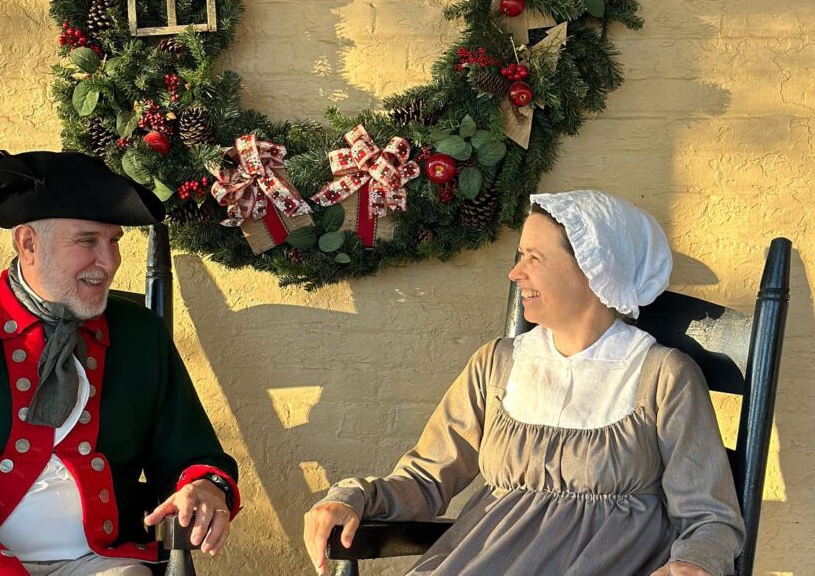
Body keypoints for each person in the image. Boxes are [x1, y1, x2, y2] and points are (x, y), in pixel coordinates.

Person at [304, 190, 744, 576]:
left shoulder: (661, 376)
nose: (517, 274)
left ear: (594, 268)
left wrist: (696, 562)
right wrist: (353, 497)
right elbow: (425, 479)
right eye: (520, 257)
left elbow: (710, 516)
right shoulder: (498, 364)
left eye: (535, 257)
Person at [0, 145, 240, 576]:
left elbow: (191, 451)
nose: (108, 262)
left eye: (114, 241)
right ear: (29, 244)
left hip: (103, 564)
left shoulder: (141, 334)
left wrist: (203, 485)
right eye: (87, 241)